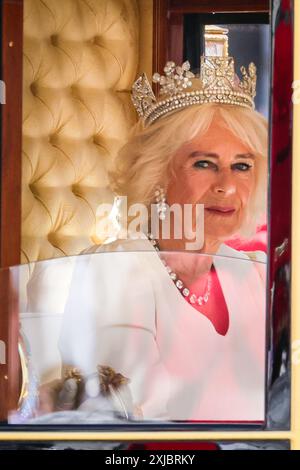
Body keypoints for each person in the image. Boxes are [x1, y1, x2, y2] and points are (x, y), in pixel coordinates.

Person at [35, 26, 268, 422]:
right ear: (158, 173)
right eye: (204, 164)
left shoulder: (253, 275)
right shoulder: (120, 269)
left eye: (242, 166)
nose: (227, 185)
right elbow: (126, 422)